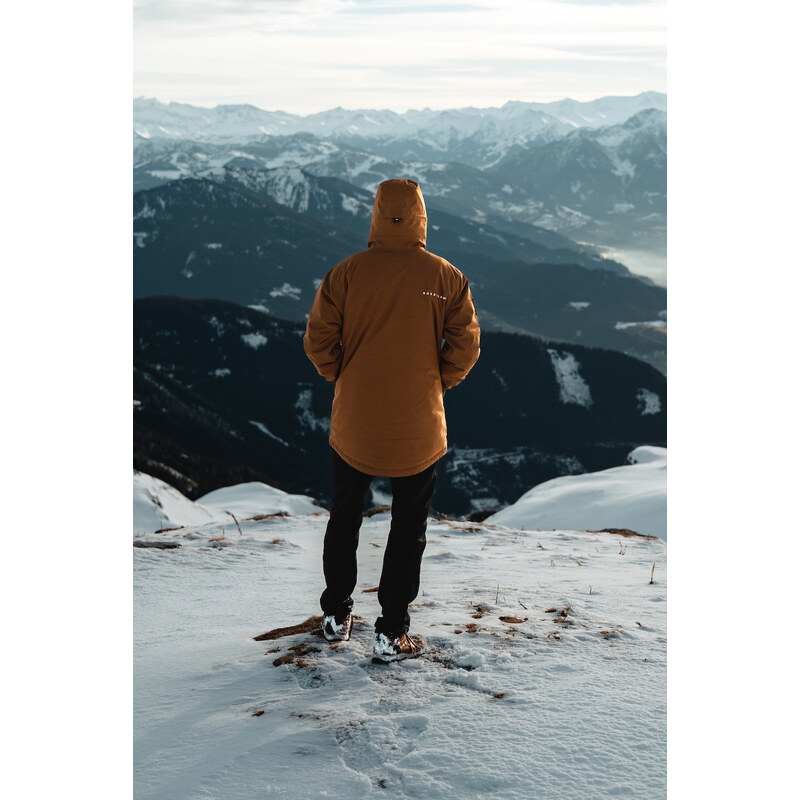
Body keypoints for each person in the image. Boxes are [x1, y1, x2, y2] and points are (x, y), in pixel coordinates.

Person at [303, 178, 480, 662]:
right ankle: (391, 632)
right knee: (408, 527)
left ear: (377, 214)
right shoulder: (447, 278)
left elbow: (318, 340)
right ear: (421, 216)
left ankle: (337, 615)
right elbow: (465, 347)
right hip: (418, 425)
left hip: (355, 422)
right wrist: (436, 383)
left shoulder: (345, 274)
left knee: (344, 517)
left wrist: (343, 375)